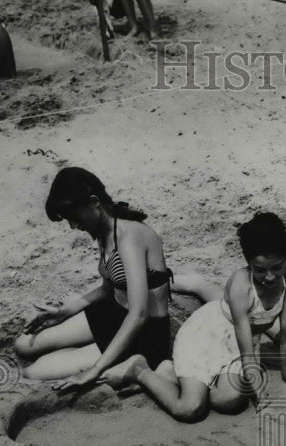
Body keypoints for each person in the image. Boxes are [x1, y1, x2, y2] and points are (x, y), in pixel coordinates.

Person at [103, 213, 286, 422]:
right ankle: (140, 370)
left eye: (276, 267)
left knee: (228, 401)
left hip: (237, 344)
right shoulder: (242, 287)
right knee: (190, 409)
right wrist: (262, 397)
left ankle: (173, 374)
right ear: (248, 262)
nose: (269, 277)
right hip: (207, 334)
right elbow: (246, 350)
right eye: (260, 270)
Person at [14, 167, 172, 390]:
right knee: (23, 345)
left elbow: (139, 314)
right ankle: (82, 353)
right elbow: (108, 289)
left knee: (32, 372)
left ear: (94, 202)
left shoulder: (129, 236)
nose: (73, 226)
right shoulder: (105, 230)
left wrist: (94, 369)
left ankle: (106, 359)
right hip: (114, 313)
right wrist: (65, 312)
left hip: (142, 333)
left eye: (74, 217)